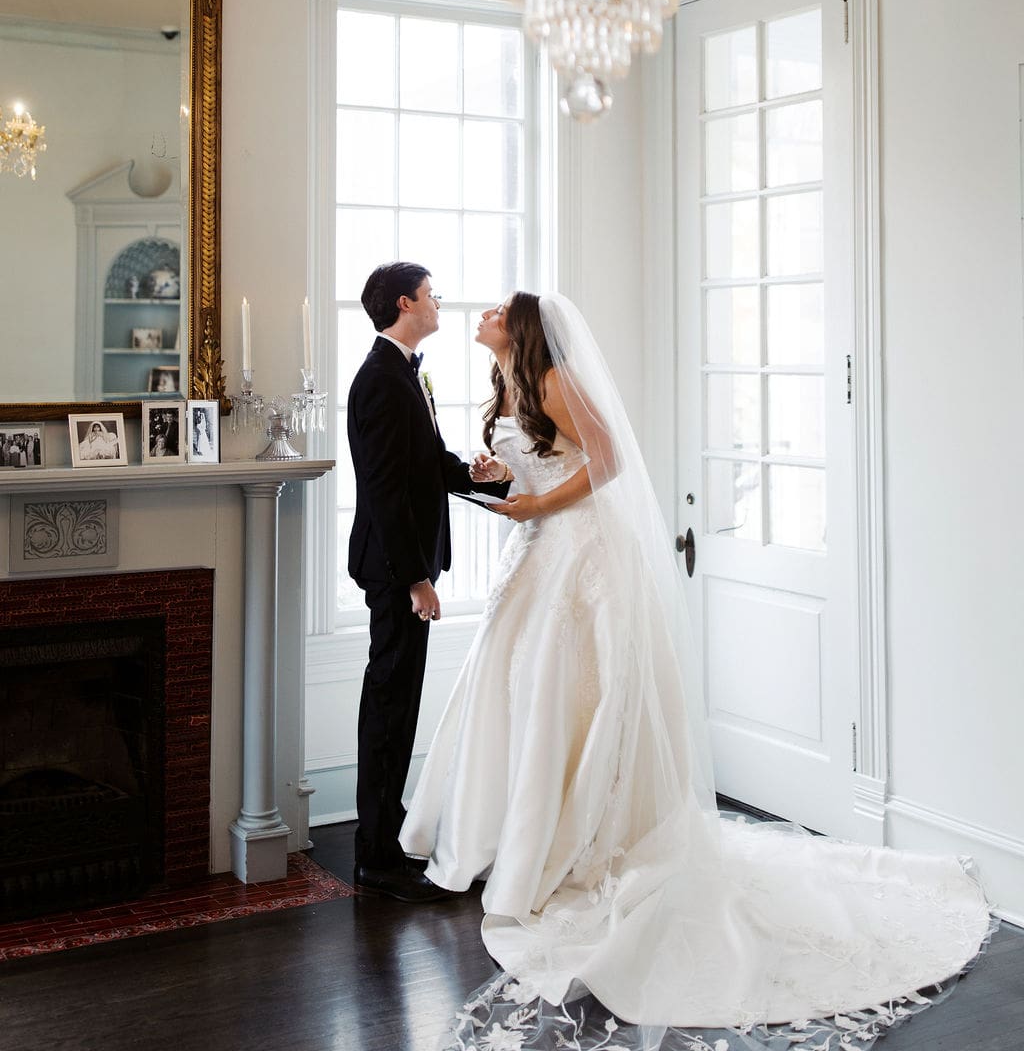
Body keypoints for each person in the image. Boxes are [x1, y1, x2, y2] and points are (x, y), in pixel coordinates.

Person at [402, 292, 991, 1051]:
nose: (478, 313)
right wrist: (504, 480)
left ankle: (575, 840)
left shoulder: (551, 380)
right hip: (539, 549)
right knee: (523, 688)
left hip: (577, 549)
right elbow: (541, 462)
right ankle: (517, 834)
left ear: (517, 329)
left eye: (491, 310)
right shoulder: (510, 386)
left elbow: (607, 462)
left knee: (571, 690)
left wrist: (533, 506)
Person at [346, 262, 510, 904]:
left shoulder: (407, 371)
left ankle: (386, 846)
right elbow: (386, 489)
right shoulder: (381, 379)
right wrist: (416, 579)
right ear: (405, 302)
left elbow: (423, 466)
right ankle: (375, 859)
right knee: (387, 709)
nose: (439, 301)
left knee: (398, 706)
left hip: (403, 566)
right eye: (432, 293)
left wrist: (483, 477)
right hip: (394, 571)